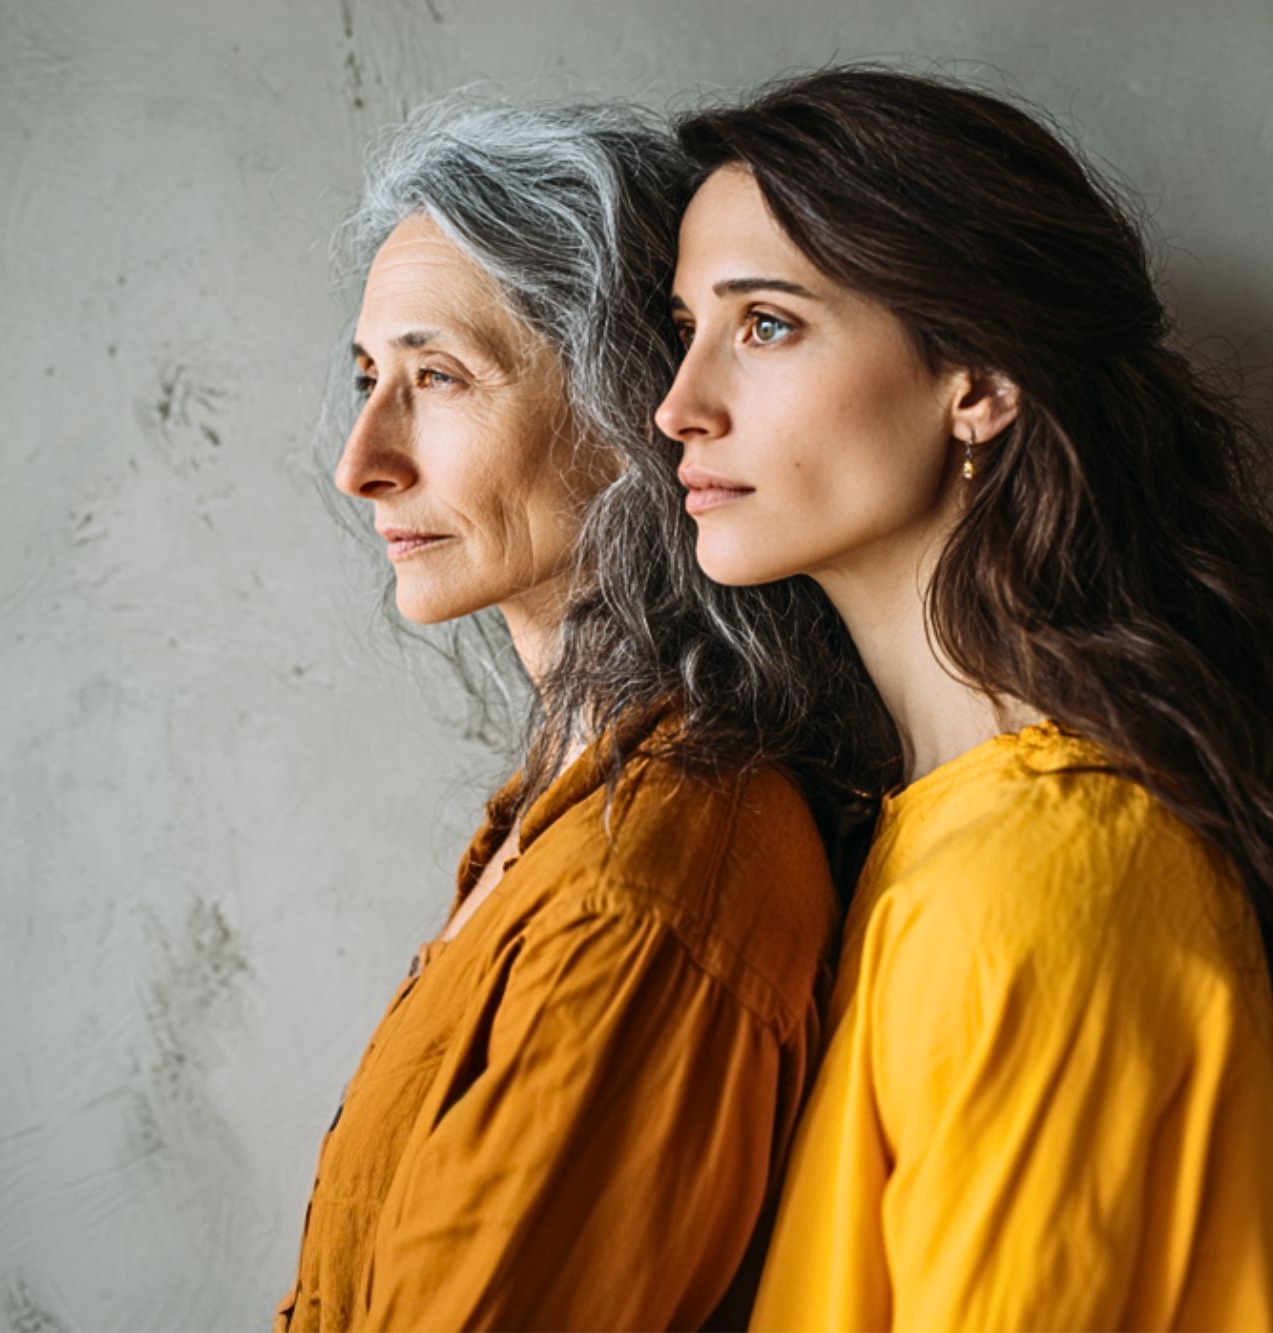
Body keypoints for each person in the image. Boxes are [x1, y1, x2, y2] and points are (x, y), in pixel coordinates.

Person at [657, 67, 1273, 1331]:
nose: (677, 405)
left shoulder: (1037, 885)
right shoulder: (942, 840)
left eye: (766, 325)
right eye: (685, 323)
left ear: (975, 382)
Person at [273, 97, 886, 1333]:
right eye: (368, 377)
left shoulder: (647, 876)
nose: (360, 461)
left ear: (627, 412)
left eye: (437, 377)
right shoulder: (565, 807)